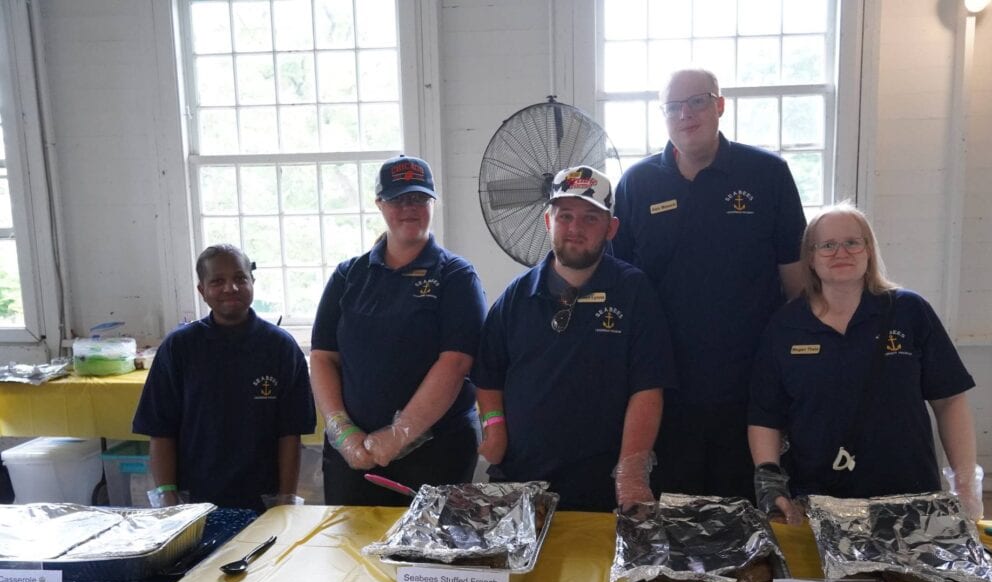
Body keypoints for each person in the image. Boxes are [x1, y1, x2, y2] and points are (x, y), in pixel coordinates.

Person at [612, 67, 808, 502]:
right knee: (672, 516)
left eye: (697, 101)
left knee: (744, 516)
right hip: (664, 390)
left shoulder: (768, 175)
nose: (685, 114)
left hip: (747, 388)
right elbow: (620, 287)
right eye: (672, 107)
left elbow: (796, 285)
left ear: (719, 105)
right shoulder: (637, 184)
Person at [747, 202, 979, 524]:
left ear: (868, 250)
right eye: (827, 245)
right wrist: (770, 484)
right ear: (810, 258)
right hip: (817, 499)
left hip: (907, 496)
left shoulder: (909, 311)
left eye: (852, 242)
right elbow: (765, 416)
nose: (841, 252)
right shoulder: (785, 326)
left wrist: (965, 484)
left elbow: (950, 399)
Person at [473, 166, 676, 512]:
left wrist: (630, 474)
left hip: (601, 487)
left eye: (590, 218)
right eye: (565, 216)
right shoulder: (517, 296)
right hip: (522, 481)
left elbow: (648, 389)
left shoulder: (634, 291)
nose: (575, 229)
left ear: (611, 228)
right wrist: (495, 430)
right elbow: (487, 376)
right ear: (548, 222)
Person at [310, 155, 486, 505]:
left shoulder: (455, 276)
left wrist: (400, 433)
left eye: (419, 198)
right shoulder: (349, 276)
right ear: (379, 204)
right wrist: (341, 430)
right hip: (354, 455)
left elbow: (455, 363)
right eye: (398, 199)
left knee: (428, 555)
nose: (410, 208)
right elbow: (322, 357)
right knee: (349, 552)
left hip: (436, 450)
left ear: (433, 202)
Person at [133, 244, 315, 511]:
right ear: (202, 290)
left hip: (262, 499)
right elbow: (161, 431)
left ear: (252, 282)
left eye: (240, 278)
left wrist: (284, 501)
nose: (230, 288)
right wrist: (168, 497)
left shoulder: (280, 347)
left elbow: (290, 434)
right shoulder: (179, 347)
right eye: (218, 281)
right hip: (193, 498)